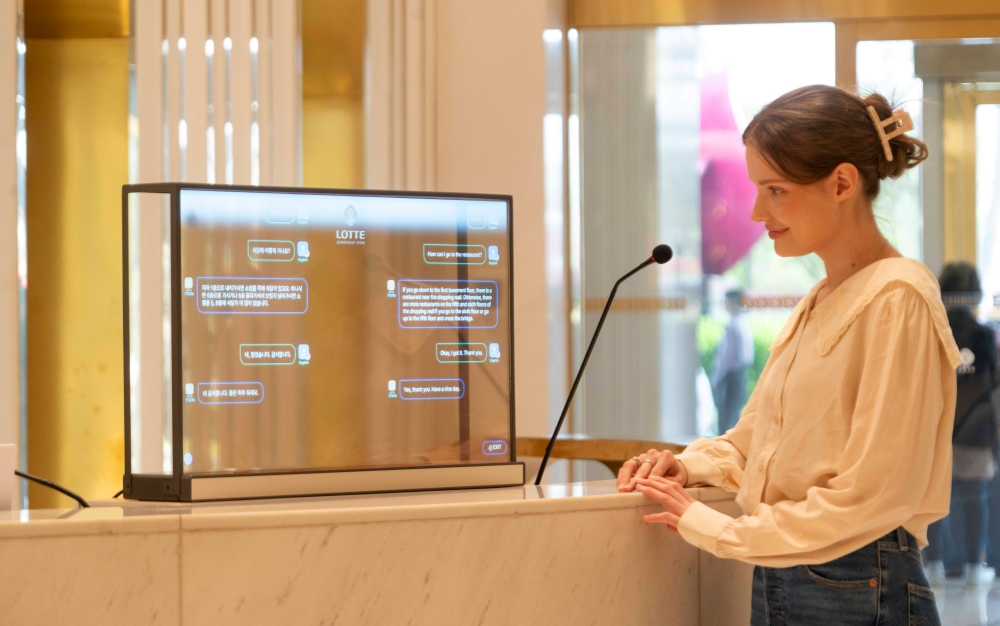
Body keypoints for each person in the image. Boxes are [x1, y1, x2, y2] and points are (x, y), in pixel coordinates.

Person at [616, 85, 959, 625]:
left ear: (842, 183)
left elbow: (877, 494)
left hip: (854, 574)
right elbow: (756, 444)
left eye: (774, 190)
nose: (756, 212)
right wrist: (683, 466)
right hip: (786, 568)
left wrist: (717, 528)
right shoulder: (819, 300)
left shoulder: (899, 296)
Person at [925, 262, 998, 584]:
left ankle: (935, 566)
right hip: (976, 432)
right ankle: (971, 567)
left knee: (935, 500)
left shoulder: (932, 334)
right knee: (975, 498)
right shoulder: (984, 336)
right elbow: (993, 386)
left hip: (935, 430)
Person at [712, 289, 755, 434]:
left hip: (730, 377)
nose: (725, 305)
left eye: (726, 301)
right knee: (733, 417)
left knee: (725, 422)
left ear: (732, 303)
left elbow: (726, 358)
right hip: (738, 375)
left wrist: (717, 379)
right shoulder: (743, 323)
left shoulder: (733, 325)